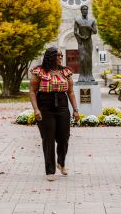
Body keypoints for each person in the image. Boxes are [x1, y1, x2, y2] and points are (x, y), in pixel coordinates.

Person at [29, 47, 80, 181]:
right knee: (48, 138)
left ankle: (61, 162)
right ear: (51, 56)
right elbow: (32, 91)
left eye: (61, 55)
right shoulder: (39, 72)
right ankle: (50, 170)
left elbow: (70, 92)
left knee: (64, 137)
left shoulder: (65, 72)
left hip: (62, 105)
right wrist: (36, 109)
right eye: (58, 55)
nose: (61, 57)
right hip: (45, 106)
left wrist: (75, 110)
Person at [74, 5, 98, 82]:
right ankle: (82, 76)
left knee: (89, 59)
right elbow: (75, 32)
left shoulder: (92, 20)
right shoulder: (77, 20)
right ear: (81, 11)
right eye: (83, 9)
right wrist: (80, 37)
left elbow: (95, 31)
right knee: (82, 58)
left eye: (86, 9)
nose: (85, 11)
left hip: (89, 41)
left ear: (87, 10)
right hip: (81, 41)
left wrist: (89, 27)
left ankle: (90, 75)